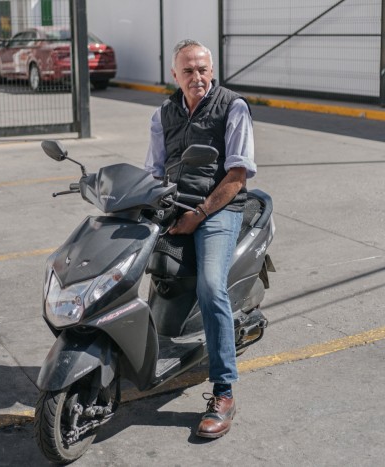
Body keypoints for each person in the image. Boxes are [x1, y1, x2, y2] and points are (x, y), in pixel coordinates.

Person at [144, 39, 256, 438]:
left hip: (217, 209)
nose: (197, 78)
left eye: (203, 69)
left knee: (211, 286)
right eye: (188, 71)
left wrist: (199, 214)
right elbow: (154, 172)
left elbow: (238, 175)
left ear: (213, 70)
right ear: (174, 75)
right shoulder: (163, 114)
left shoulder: (232, 107)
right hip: (175, 206)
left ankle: (224, 391)